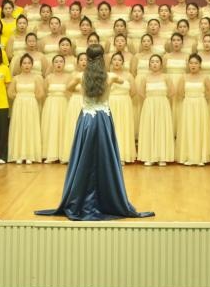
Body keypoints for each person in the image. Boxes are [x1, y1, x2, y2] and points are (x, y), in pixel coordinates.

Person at [36, 45, 153, 220]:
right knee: (104, 158)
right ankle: (108, 198)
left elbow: (68, 89)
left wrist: (81, 90)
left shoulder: (79, 76)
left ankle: (80, 197)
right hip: (103, 119)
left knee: (84, 158)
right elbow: (125, 83)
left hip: (87, 119)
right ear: (103, 59)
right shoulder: (111, 77)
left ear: (87, 59)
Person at [137, 53, 175, 166]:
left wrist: (161, 98)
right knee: (149, 128)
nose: (154, 64)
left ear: (161, 64)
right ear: (149, 65)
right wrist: (150, 99)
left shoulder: (166, 77)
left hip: (163, 104)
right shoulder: (145, 78)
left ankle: (162, 157)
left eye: (157, 62)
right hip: (149, 104)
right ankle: (149, 156)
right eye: (152, 62)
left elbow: (172, 91)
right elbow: (140, 91)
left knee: (162, 128)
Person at [7, 53, 45, 164]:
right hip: (19, 104)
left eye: (29, 63)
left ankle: (30, 155)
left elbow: (41, 93)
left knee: (30, 127)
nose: (27, 65)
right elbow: (10, 93)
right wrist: (20, 97)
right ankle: (18, 155)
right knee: (19, 127)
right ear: (20, 65)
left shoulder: (36, 78)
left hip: (31, 104)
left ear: (32, 65)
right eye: (24, 63)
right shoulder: (16, 78)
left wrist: (30, 97)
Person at [176, 53, 210, 166]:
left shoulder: (205, 77)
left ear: (200, 65)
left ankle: (201, 157)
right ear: (188, 65)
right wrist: (190, 98)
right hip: (188, 104)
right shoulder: (184, 77)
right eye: (191, 63)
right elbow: (180, 92)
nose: (193, 65)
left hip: (200, 104)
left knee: (200, 128)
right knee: (188, 128)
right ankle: (188, 156)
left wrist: (200, 98)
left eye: (196, 63)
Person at [107, 52, 137, 164]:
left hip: (125, 103)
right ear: (111, 62)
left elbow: (133, 91)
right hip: (110, 103)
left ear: (123, 63)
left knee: (124, 128)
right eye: (114, 59)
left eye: (119, 60)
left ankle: (123, 155)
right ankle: (110, 156)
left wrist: (124, 98)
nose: (117, 62)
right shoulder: (107, 75)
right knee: (112, 128)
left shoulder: (129, 75)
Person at [41, 55, 71, 164]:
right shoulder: (48, 77)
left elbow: (70, 92)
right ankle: (50, 154)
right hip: (51, 104)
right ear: (53, 64)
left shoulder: (69, 77)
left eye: (61, 61)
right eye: (56, 62)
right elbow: (44, 92)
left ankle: (64, 155)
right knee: (51, 127)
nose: (59, 64)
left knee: (63, 127)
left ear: (64, 64)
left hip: (64, 103)